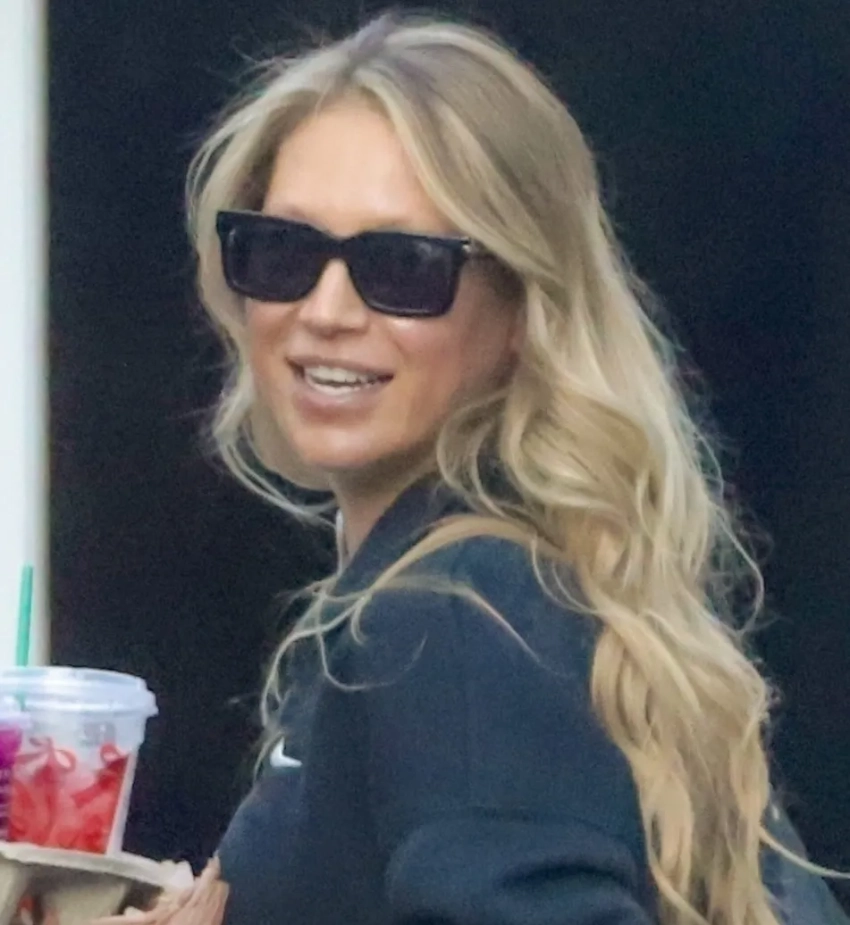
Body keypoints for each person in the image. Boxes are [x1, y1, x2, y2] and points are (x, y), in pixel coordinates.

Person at [181, 11, 846, 925]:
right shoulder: (514, 587)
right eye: (284, 253)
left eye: (402, 266)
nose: (326, 309)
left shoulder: (457, 612)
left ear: (524, 311)